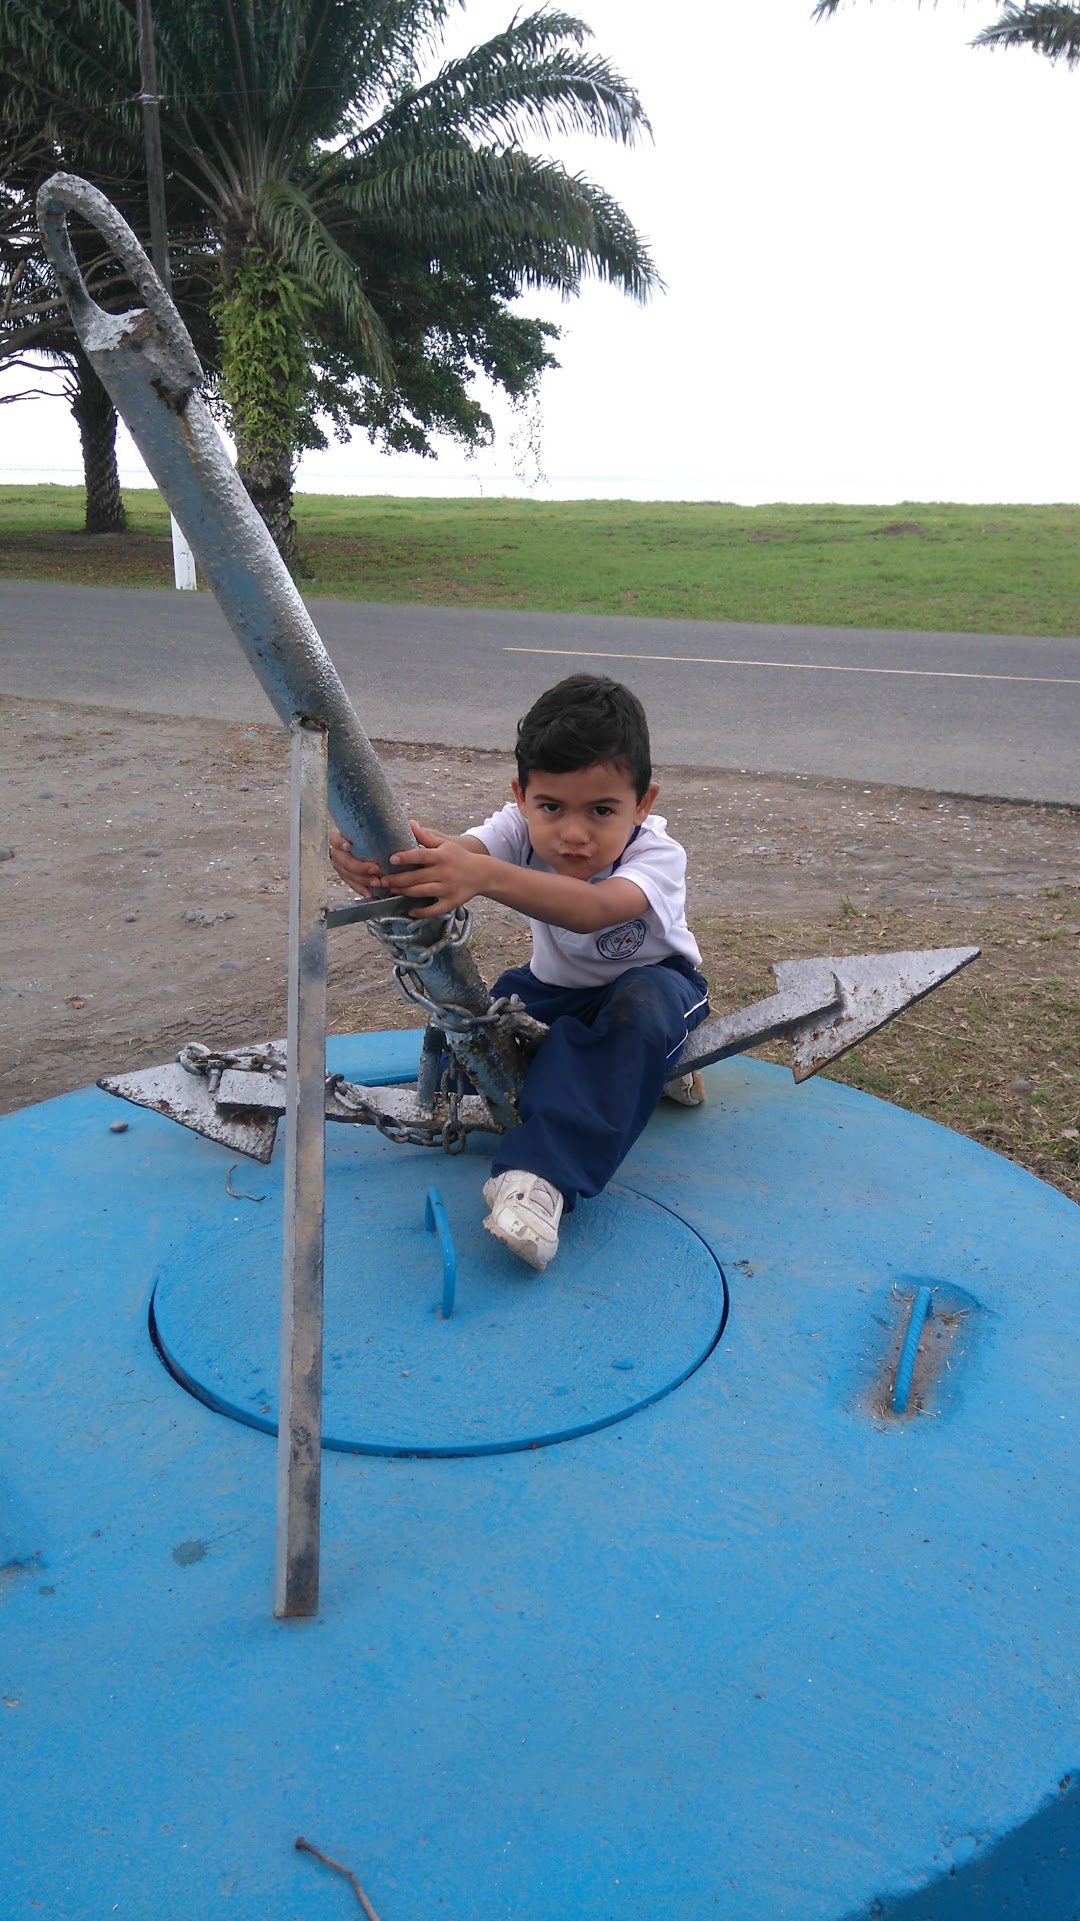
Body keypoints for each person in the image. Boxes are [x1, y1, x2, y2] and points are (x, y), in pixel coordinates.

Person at [329, 674, 709, 1271]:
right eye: (550, 807)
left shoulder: (656, 855)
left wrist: (482, 878)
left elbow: (593, 910)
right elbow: (453, 854)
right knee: (492, 1012)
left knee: (638, 1014)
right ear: (521, 795)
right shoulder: (515, 828)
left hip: (654, 986)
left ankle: (539, 1179)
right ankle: (633, 1078)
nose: (573, 832)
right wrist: (386, 865)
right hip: (554, 991)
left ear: (642, 803)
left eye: (602, 810)